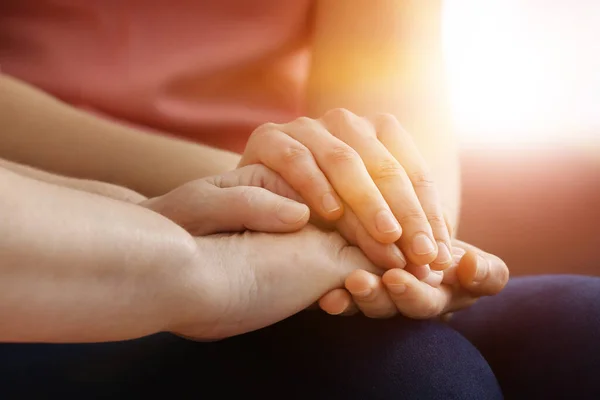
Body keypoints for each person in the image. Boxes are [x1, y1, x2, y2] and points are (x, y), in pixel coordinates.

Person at [0, 1, 599, 398]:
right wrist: (271, 200)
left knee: (584, 327)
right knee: (410, 381)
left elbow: (392, 110)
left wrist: (408, 232)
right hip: (55, 240)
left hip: (292, 231)